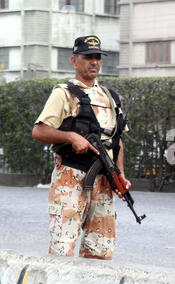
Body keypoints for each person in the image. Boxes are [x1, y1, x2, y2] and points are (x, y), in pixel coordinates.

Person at [32, 35, 130, 260]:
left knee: (101, 249)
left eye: (98, 57)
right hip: (71, 177)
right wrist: (70, 137)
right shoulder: (63, 93)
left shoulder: (111, 97)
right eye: (88, 57)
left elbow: (118, 141)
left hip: (104, 181)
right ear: (74, 61)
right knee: (62, 247)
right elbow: (39, 130)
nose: (94, 62)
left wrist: (120, 174)